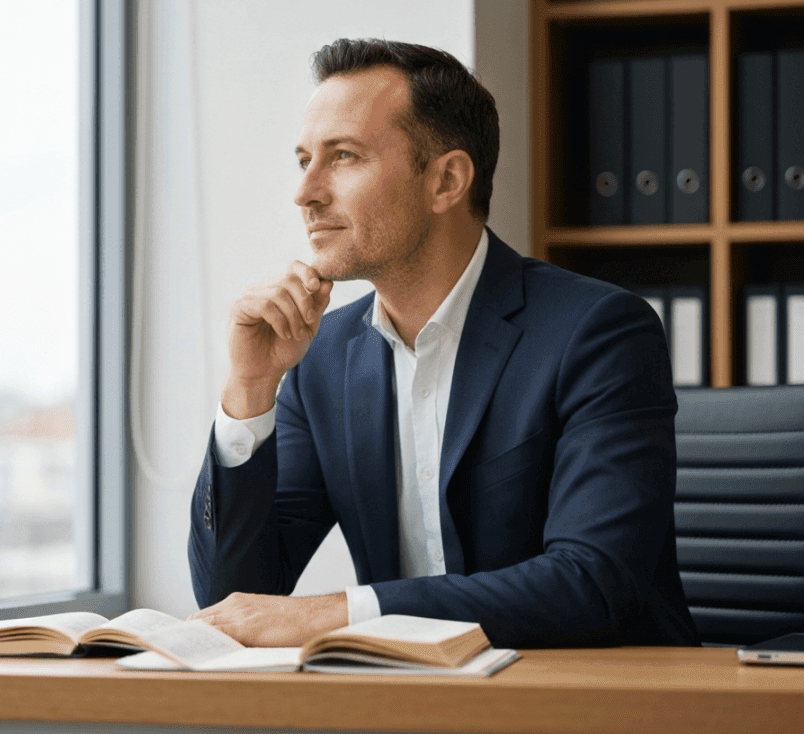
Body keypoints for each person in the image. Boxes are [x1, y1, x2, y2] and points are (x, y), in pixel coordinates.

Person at [187, 38, 699, 650]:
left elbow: (592, 584)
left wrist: (342, 612)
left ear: (447, 180)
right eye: (304, 161)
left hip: (593, 702)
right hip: (413, 704)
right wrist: (249, 389)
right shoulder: (322, 358)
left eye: (344, 156)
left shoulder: (598, 332)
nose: (307, 192)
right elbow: (235, 594)